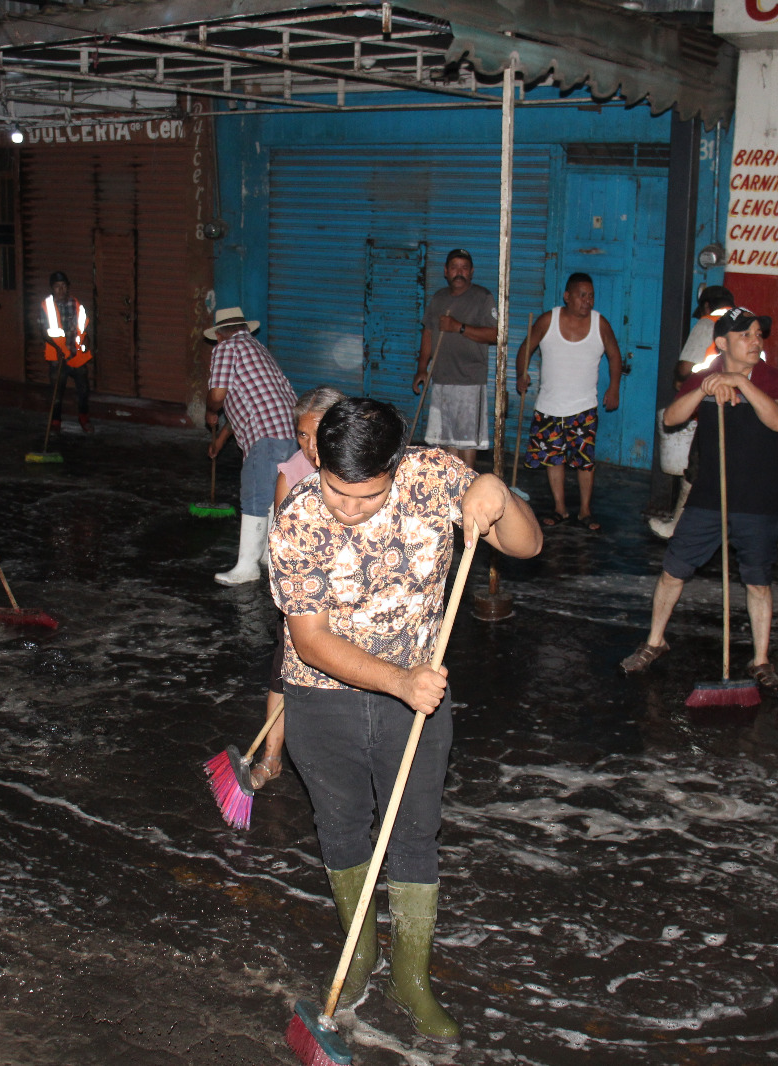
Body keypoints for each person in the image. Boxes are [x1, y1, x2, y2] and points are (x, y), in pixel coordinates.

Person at [269, 398, 541, 1040]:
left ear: (398, 464)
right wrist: (399, 681)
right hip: (323, 697)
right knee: (340, 826)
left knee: (415, 834)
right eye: (337, 490)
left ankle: (412, 980)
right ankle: (359, 955)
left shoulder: (434, 477)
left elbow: (527, 546)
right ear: (318, 460)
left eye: (366, 496)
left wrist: (497, 494)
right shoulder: (298, 520)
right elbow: (310, 641)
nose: (348, 508)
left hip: (417, 702)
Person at [619, 307, 778, 698]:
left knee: (758, 582)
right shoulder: (704, 378)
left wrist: (741, 384)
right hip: (709, 499)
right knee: (673, 570)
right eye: (745, 335)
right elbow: (671, 419)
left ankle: (761, 660)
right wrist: (704, 388)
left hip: (760, 500)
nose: (755, 342)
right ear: (722, 343)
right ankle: (655, 641)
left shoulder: (773, 378)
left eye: (758, 335)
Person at [249, 385, 347, 792]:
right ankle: (271, 758)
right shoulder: (291, 473)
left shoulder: (361, 466)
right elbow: (281, 547)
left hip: (356, 597)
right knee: (284, 676)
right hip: (305, 598)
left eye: (317, 433)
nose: (309, 446)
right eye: (302, 435)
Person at [514, 272, 622, 531]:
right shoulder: (548, 320)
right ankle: (560, 509)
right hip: (549, 406)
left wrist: (614, 387)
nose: (587, 300)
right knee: (554, 459)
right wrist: (521, 374)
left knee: (585, 461)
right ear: (567, 296)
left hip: (584, 407)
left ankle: (585, 511)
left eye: (591, 296)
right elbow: (525, 348)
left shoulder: (600, 324)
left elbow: (615, 356)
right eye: (582, 295)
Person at [204, 306, 297, 586]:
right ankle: (269, 556)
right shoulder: (256, 349)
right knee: (273, 495)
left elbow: (218, 395)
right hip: (292, 432)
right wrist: (220, 440)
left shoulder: (225, 349)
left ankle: (247, 567)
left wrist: (210, 410)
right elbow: (247, 403)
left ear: (220, 334)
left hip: (266, 436)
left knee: (256, 496)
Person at [650, 285, 737, 540]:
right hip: (743, 408)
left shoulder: (708, 323)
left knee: (695, 469)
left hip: (712, 405)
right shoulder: (746, 324)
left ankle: (678, 526)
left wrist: (683, 382)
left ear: (708, 306)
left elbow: (685, 369)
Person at [412, 249, 497, 470]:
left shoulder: (483, 297)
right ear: (446, 271)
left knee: (467, 441)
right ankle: (452, 486)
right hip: (441, 378)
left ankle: (467, 485)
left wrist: (458, 327)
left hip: (470, 381)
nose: (459, 272)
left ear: (471, 272)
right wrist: (422, 368)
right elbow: (428, 334)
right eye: (454, 267)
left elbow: (495, 335)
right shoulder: (438, 298)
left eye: (464, 268)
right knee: (446, 440)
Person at [41, 271, 93, 434]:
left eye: (64, 286)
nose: (61, 290)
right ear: (52, 289)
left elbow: (84, 328)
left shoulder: (77, 305)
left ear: (68, 287)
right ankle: (56, 422)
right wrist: (59, 349)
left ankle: (84, 419)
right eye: (57, 287)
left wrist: (86, 340)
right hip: (58, 357)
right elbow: (44, 332)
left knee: (84, 389)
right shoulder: (46, 306)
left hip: (76, 355)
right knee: (57, 391)